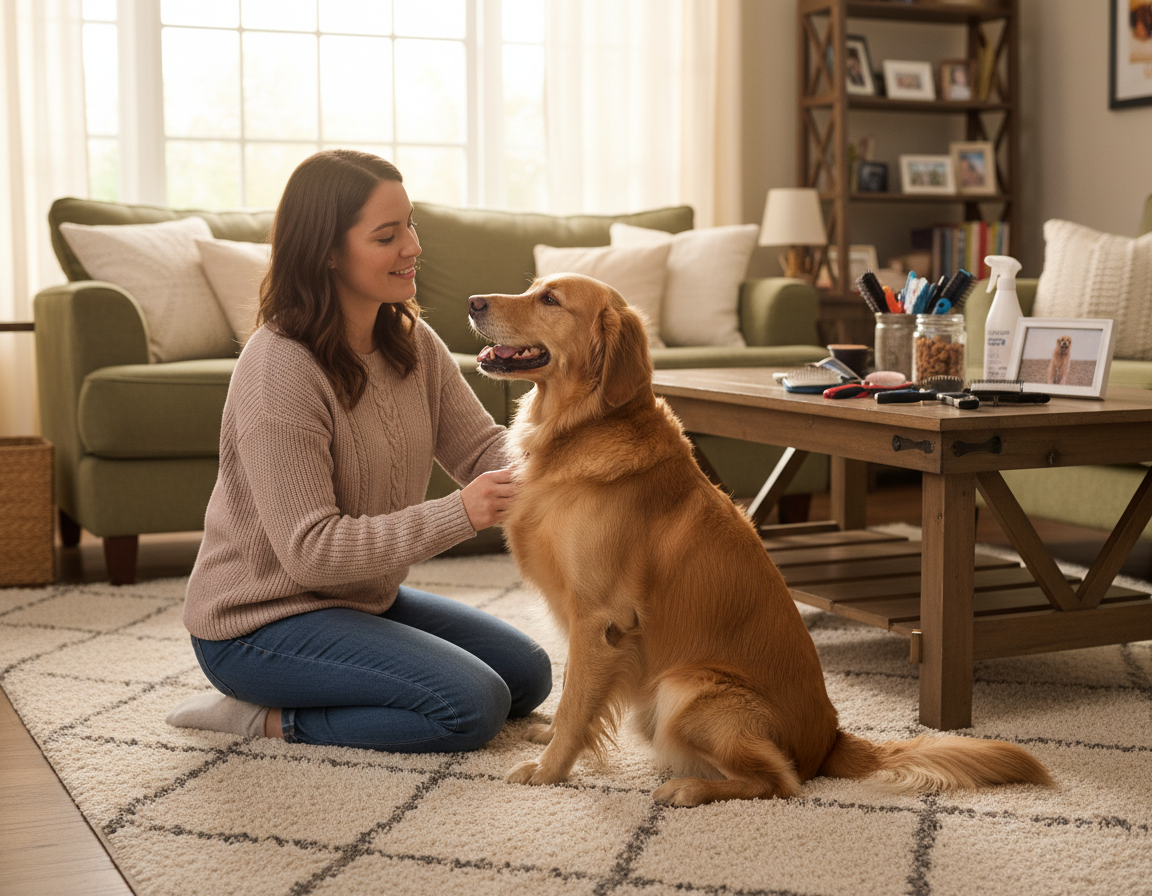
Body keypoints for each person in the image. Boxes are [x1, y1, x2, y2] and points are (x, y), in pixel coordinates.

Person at [165, 149, 552, 752]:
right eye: (386, 235)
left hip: (359, 599)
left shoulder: (409, 339)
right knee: (471, 706)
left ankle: (346, 680)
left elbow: (480, 448)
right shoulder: (280, 370)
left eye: (411, 225)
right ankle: (256, 717)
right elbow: (311, 554)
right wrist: (462, 511)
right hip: (257, 624)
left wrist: (574, 475)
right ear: (326, 250)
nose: (413, 247)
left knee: (527, 674)